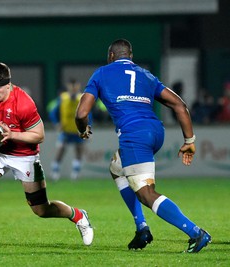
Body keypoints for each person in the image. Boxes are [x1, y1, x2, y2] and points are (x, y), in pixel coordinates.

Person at [75, 39, 211, 253]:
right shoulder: (146, 75)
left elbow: (82, 113)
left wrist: (83, 129)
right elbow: (179, 105)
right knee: (117, 168)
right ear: (131, 56)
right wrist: (189, 141)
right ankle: (142, 228)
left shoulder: (101, 73)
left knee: (146, 193)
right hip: (156, 132)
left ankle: (196, 232)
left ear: (111, 56)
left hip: (134, 136)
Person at [0, 62, 93, 245]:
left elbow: (39, 135)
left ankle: (79, 215)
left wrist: (11, 135)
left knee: (41, 209)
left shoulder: (24, 103)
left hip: (24, 156)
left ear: (8, 85)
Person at [49, 79, 90, 180]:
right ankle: (55, 172)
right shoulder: (63, 98)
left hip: (78, 130)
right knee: (60, 150)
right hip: (65, 130)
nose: (73, 89)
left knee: (79, 151)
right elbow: (53, 112)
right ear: (68, 87)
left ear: (78, 87)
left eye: (75, 87)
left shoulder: (82, 98)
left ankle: (75, 174)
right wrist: (57, 123)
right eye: (71, 87)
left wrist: (88, 128)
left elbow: (88, 114)